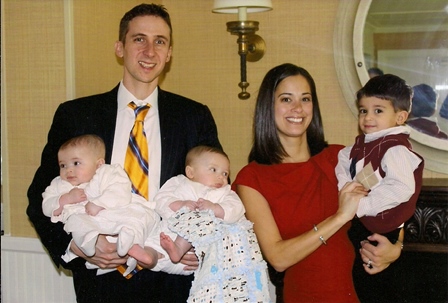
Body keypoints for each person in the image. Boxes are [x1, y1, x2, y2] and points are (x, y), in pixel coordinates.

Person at [27, 3, 222, 303]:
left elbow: (218, 192)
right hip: (99, 284)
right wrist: (76, 247)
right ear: (120, 47)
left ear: (169, 53)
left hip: (174, 284)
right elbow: (39, 194)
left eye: (160, 41)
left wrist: (201, 245)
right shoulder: (76, 115)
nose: (150, 51)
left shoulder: (194, 117)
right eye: (138, 39)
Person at [232, 63, 404, 303]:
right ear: (267, 106)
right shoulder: (251, 179)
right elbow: (278, 258)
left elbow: (396, 191)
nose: (297, 108)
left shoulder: (340, 158)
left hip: (354, 294)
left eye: (305, 98)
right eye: (286, 99)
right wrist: (339, 217)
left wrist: (397, 246)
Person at [42, 134, 189, 278]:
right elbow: (46, 205)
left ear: (99, 163)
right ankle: (88, 243)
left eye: (76, 163)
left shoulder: (107, 172)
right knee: (77, 223)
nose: (68, 170)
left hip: (116, 213)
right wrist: (64, 199)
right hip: (92, 228)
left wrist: (99, 203)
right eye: (63, 165)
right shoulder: (59, 185)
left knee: (140, 216)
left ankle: (131, 240)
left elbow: (119, 190)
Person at [335, 74, 424, 302]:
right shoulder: (362, 144)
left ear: (400, 117)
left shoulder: (395, 149)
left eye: (378, 110)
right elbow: (343, 158)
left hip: (385, 228)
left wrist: (361, 205)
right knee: (362, 285)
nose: (367, 117)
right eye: (363, 110)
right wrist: (346, 187)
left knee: (379, 289)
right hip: (364, 225)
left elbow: (402, 187)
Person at [155, 145, 271, 303]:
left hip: (214, 240)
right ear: (190, 172)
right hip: (181, 229)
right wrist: (179, 204)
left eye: (225, 173)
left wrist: (217, 209)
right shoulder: (178, 183)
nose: (221, 178)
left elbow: (237, 208)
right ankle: (167, 251)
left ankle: (177, 250)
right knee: (162, 237)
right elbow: (161, 200)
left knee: (202, 221)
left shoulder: (225, 192)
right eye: (213, 170)